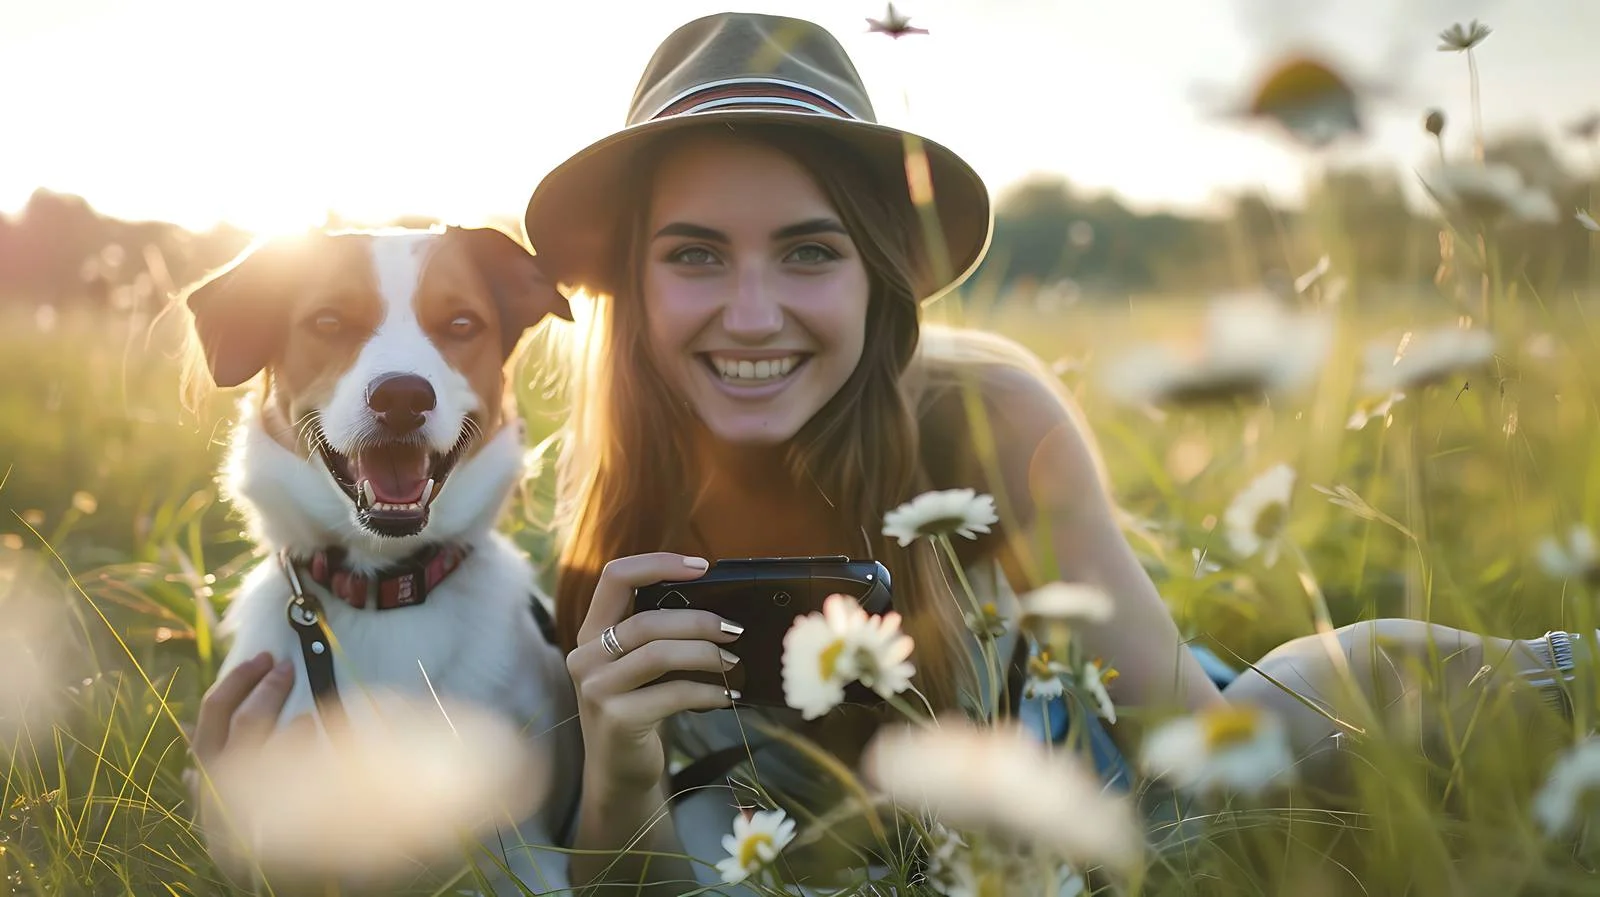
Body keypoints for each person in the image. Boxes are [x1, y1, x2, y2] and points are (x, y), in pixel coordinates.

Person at [523, 10, 1592, 895]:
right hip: (793, 840)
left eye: (809, 251)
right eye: (695, 255)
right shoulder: (612, 490)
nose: (751, 316)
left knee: (1309, 727)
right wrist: (618, 769)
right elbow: (625, 874)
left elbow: (1197, 742)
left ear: (877, 279)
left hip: (1098, 767)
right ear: (635, 285)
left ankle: (1561, 678)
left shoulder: (987, 420)